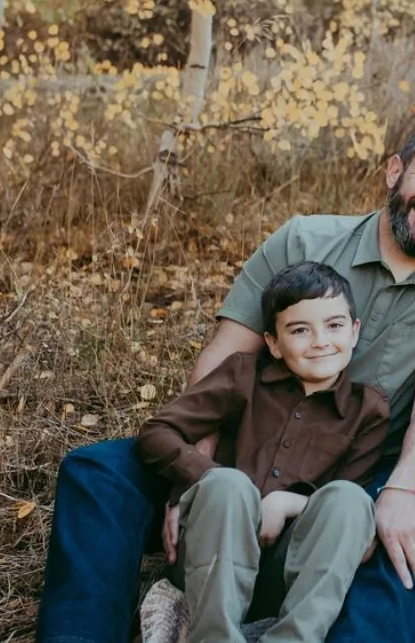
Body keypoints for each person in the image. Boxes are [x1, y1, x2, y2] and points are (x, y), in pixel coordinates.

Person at [36, 124, 415, 643]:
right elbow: (228, 354)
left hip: (352, 471)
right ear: (394, 171)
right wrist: (196, 476)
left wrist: (406, 489)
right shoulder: (303, 241)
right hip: (243, 440)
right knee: (98, 473)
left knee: (396, 546)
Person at [135, 261, 387, 643]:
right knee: (229, 486)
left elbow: (348, 513)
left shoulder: (367, 410)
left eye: (334, 326)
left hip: (285, 574)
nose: (320, 341)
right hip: (210, 558)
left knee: (351, 500)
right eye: (300, 330)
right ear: (273, 343)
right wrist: (213, 479)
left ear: (354, 332)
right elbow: (157, 433)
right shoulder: (243, 374)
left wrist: (289, 503)